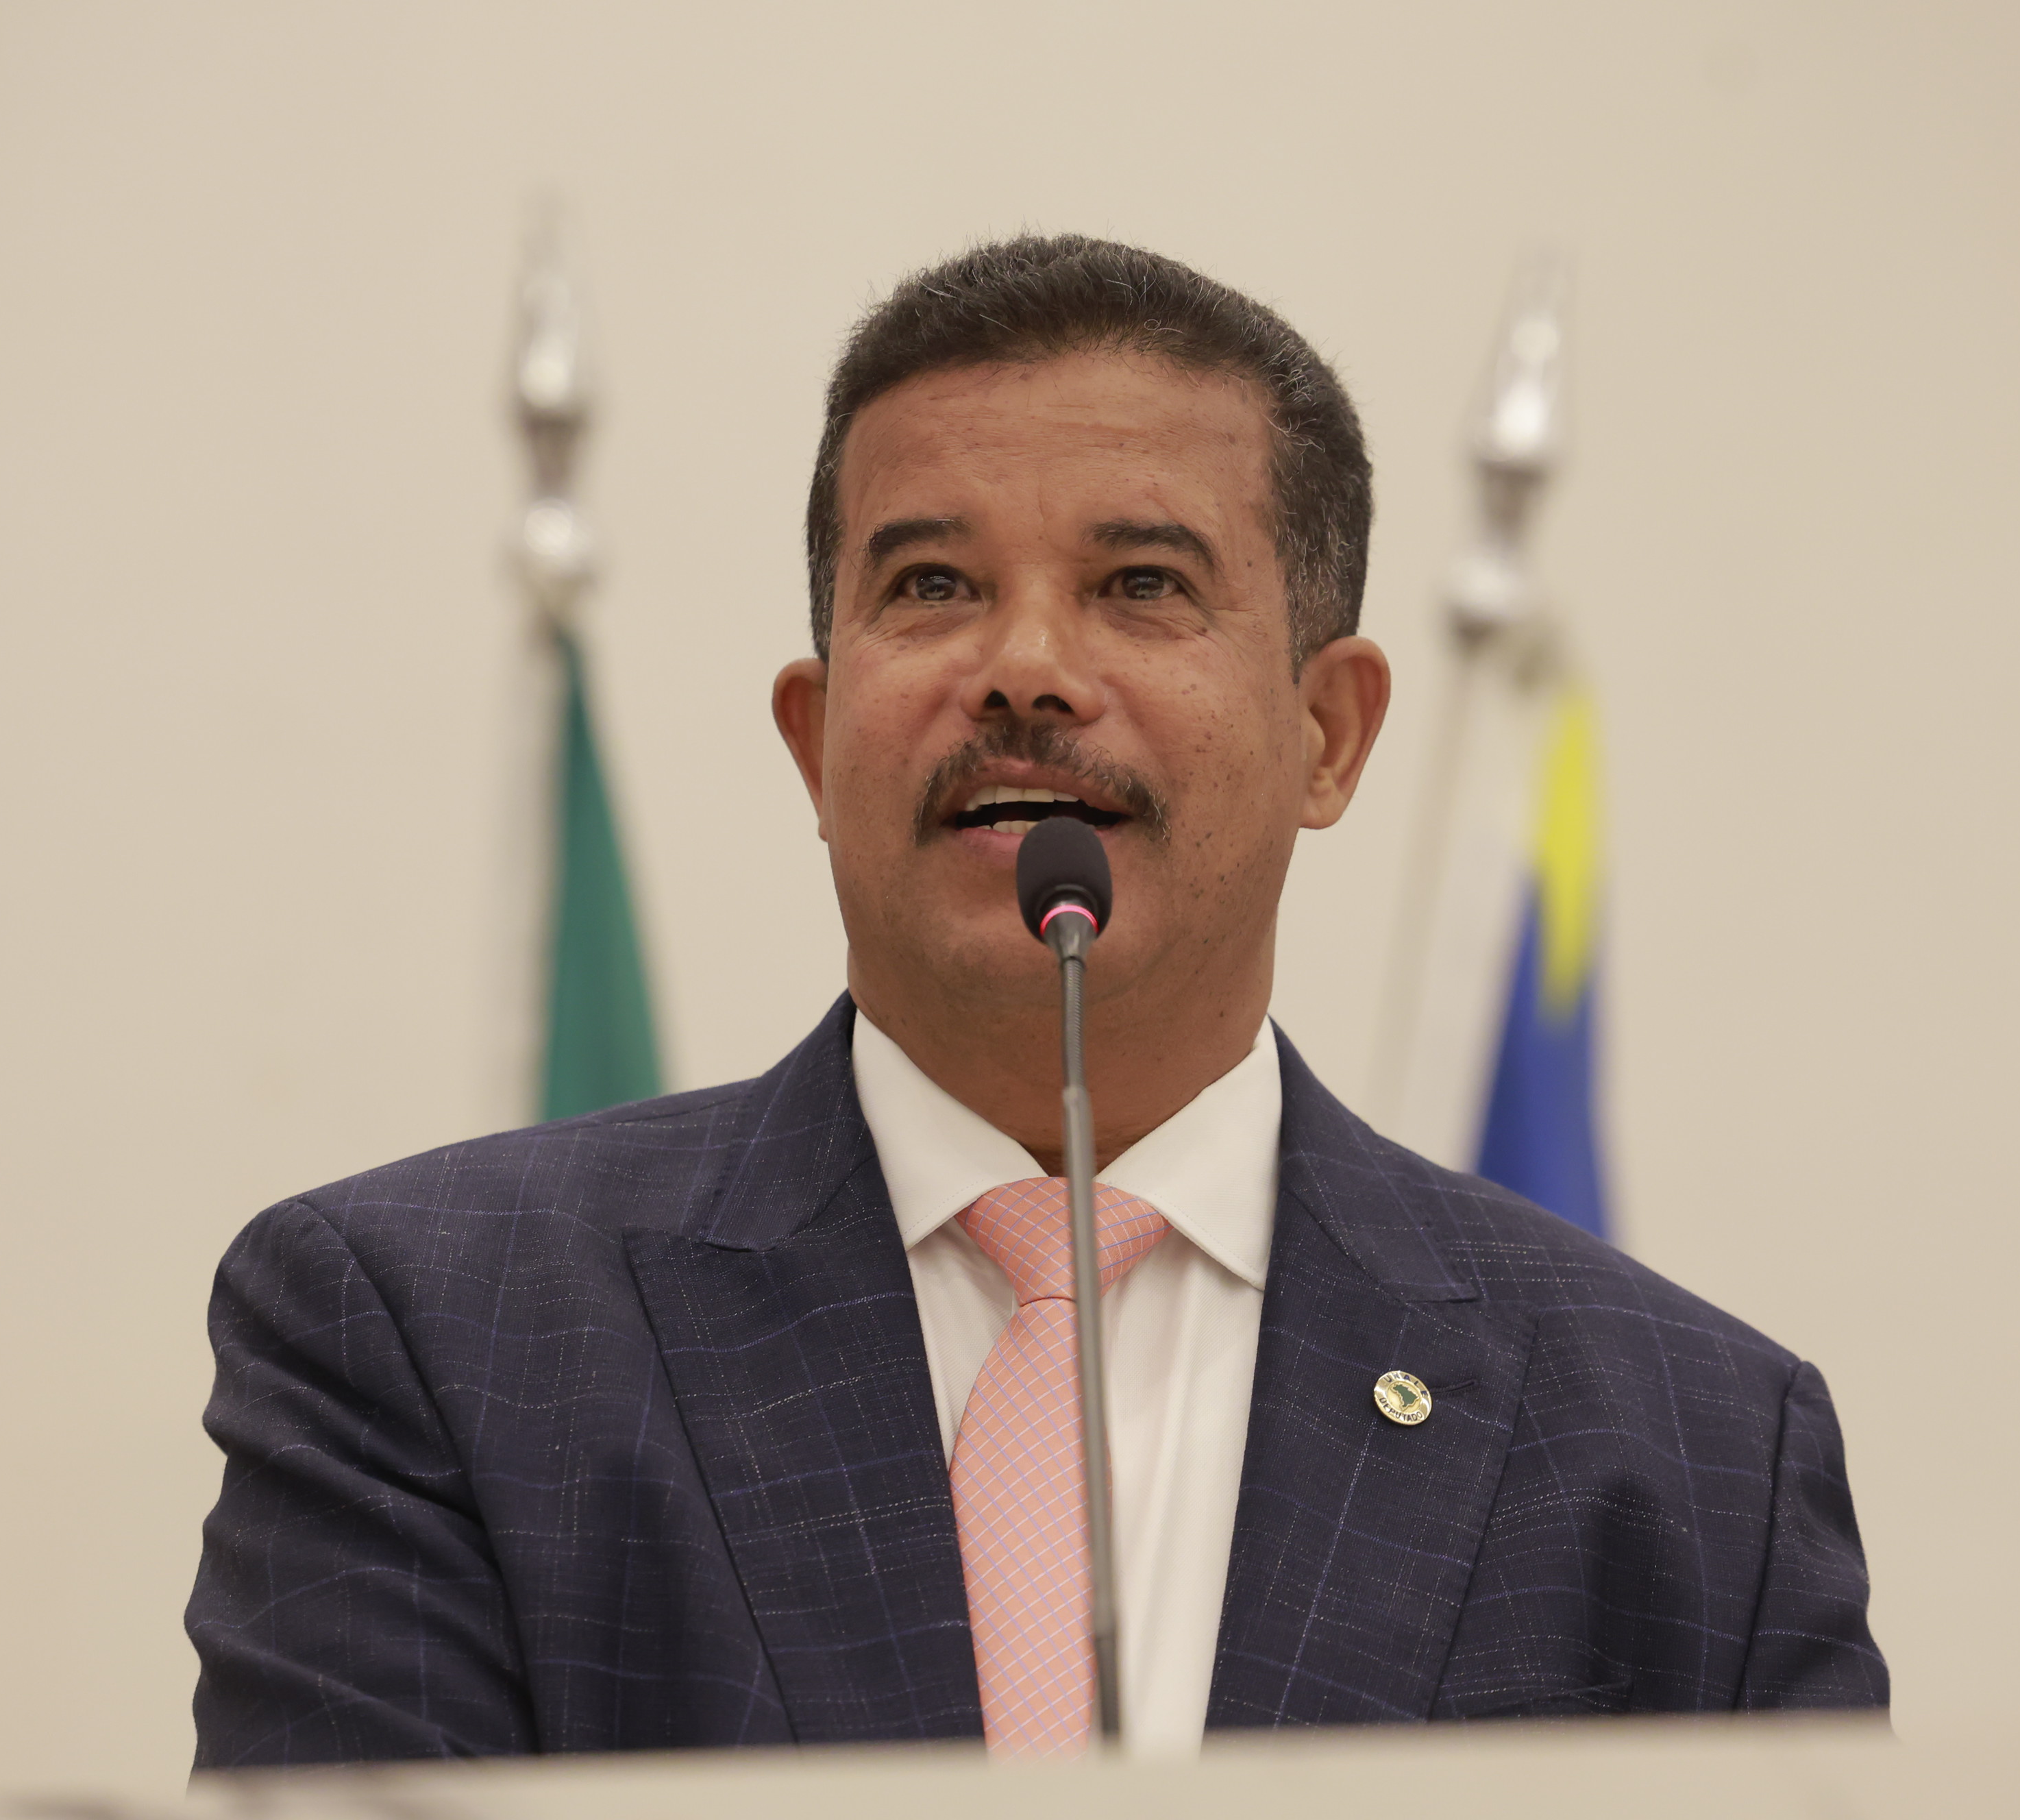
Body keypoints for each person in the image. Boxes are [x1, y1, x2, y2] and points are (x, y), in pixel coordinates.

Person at [184, 235, 1885, 1768]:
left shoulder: (1690, 1452)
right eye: (932, 585)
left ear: (1330, 734)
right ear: (815, 741)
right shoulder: (437, 1340)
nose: (1026, 669)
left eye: (1142, 584)